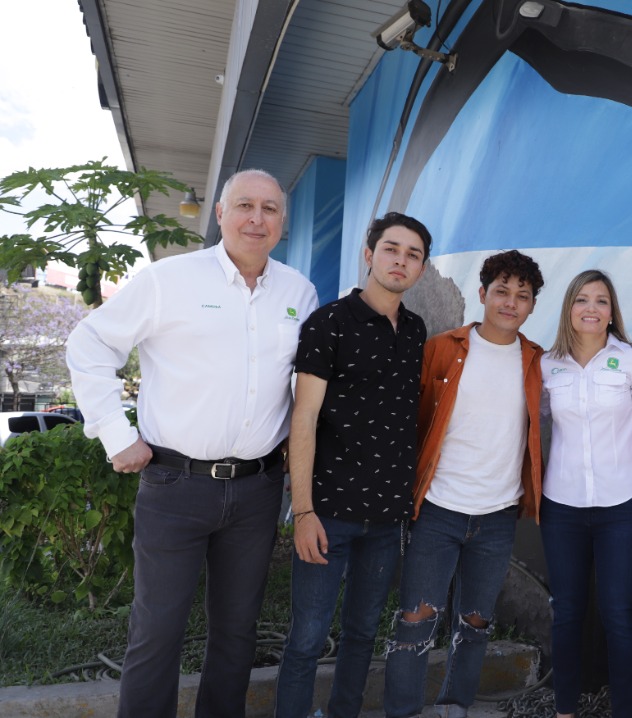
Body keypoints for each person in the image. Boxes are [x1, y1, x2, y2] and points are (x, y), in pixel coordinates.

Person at [65, 169, 318, 718]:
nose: (257, 219)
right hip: (175, 486)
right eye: (244, 205)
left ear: (283, 221)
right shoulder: (170, 280)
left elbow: (304, 386)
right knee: (157, 632)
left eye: (270, 208)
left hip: (256, 490)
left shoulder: (300, 291)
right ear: (220, 214)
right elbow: (89, 342)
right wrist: (116, 433)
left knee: (237, 632)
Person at [273, 212, 432, 718]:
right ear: (369, 255)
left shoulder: (415, 330)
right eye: (391, 249)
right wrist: (302, 512)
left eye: (412, 254)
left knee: (362, 634)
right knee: (307, 638)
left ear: (421, 268)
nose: (400, 261)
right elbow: (304, 418)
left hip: (386, 518)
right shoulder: (330, 323)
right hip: (328, 512)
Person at [384, 249, 545, 718]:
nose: (510, 302)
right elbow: (413, 420)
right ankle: (402, 711)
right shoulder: (443, 348)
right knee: (416, 618)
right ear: (482, 294)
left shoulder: (536, 362)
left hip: (497, 515)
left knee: (475, 622)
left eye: (522, 295)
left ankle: (455, 705)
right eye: (501, 291)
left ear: (532, 305)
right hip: (438, 509)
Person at [540, 270, 632, 718]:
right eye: (582, 299)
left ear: (612, 312)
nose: (591, 308)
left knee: (619, 613)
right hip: (562, 508)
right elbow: (537, 424)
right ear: (568, 308)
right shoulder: (547, 365)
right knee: (567, 612)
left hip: (623, 507)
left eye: (601, 300)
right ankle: (564, 711)